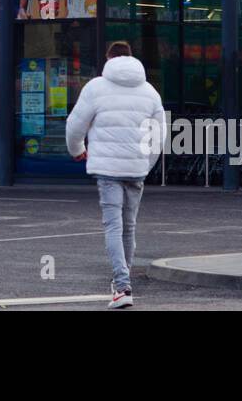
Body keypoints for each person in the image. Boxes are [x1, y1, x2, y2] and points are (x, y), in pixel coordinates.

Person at [65, 40, 166, 309]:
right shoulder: (150, 92)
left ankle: (122, 286)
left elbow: (75, 125)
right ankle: (124, 284)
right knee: (129, 227)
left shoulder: (96, 87)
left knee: (113, 226)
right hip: (136, 169)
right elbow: (159, 137)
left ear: (109, 58)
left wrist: (77, 150)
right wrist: (145, 165)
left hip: (107, 170)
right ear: (131, 57)